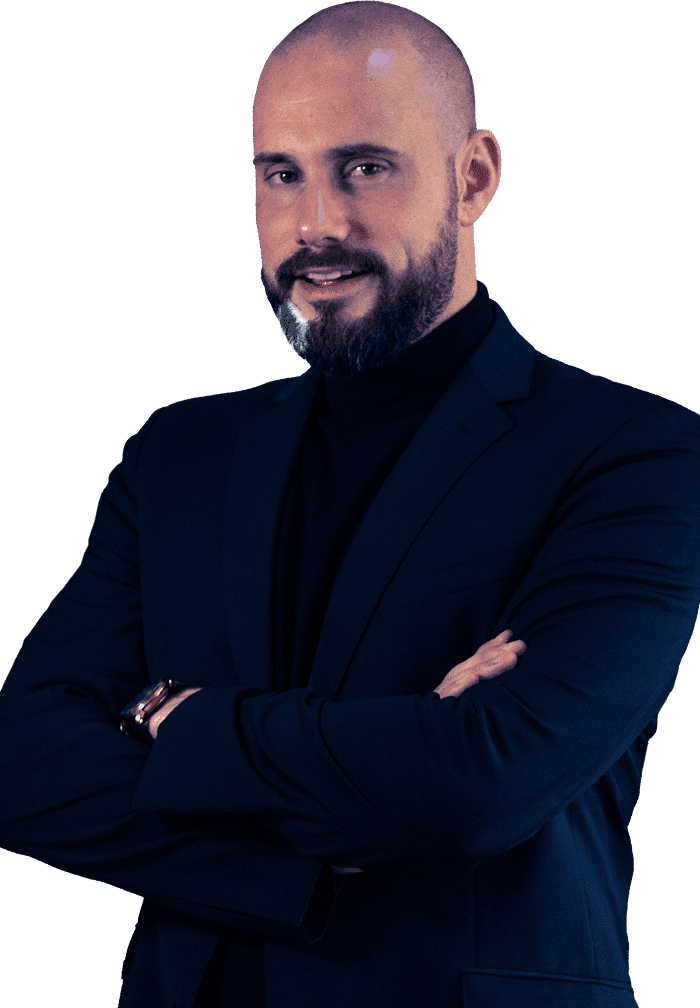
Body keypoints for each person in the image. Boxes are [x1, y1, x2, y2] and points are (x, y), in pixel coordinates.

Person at [1, 2, 699, 1006]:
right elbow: (24, 764)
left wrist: (171, 721)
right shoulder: (178, 454)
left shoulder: (636, 453)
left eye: (364, 167)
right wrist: (355, 802)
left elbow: (483, 782)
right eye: (281, 174)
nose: (316, 224)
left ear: (473, 178)